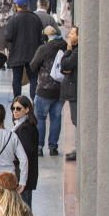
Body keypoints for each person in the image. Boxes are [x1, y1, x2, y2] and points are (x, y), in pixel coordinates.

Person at [29, 28, 68, 158]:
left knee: (40, 118)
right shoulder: (66, 47)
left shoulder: (44, 49)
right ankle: (53, 147)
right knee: (56, 118)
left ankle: (39, 147)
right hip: (61, 89)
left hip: (44, 89)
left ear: (47, 36)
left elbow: (33, 66)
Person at [5, 0, 44, 100]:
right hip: (33, 54)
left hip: (17, 54)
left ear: (17, 6)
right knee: (33, 78)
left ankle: (17, 100)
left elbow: (8, 37)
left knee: (16, 78)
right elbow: (42, 37)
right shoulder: (35, 18)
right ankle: (34, 99)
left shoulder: (13, 19)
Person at [11, 96, 39, 206]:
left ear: (27, 110)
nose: (15, 111)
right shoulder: (23, 126)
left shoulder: (25, 129)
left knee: (24, 210)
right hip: (25, 175)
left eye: (18, 108)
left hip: (23, 176)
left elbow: (24, 155)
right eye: (13, 108)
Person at [61, 26, 79, 161]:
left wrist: (67, 50)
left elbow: (65, 65)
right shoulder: (76, 50)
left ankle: (78, 149)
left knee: (76, 119)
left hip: (74, 90)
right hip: (73, 89)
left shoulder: (75, 51)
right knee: (75, 119)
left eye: (72, 33)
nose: (69, 35)